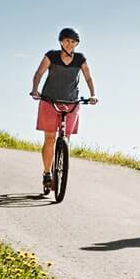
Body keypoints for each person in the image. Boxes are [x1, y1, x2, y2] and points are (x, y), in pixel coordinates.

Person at [28, 27, 97, 194]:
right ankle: (47, 173)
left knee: (65, 137)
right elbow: (39, 73)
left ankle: (60, 163)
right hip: (50, 101)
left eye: (73, 42)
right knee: (50, 138)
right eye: (67, 40)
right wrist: (35, 89)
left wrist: (93, 94)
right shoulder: (51, 56)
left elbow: (88, 77)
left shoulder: (80, 59)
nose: (70, 44)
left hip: (71, 102)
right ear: (61, 41)